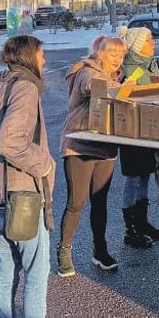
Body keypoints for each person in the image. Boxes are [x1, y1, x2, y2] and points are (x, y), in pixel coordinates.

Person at [0, 35, 76, 318]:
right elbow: (11, 141)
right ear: (29, 56)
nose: (45, 60)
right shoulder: (24, 88)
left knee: (6, 273)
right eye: (41, 54)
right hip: (22, 194)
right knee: (36, 274)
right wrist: (45, 163)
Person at [56, 35, 127, 276]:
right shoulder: (86, 71)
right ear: (99, 53)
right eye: (112, 54)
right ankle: (64, 251)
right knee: (76, 202)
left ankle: (100, 251)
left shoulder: (118, 77)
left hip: (106, 145)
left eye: (121, 55)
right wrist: (125, 90)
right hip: (80, 143)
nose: (117, 59)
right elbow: (93, 86)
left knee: (100, 202)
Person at [116, 26, 159, 249]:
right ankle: (131, 229)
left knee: (145, 174)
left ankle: (143, 222)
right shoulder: (129, 69)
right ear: (138, 46)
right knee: (132, 178)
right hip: (131, 130)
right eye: (149, 41)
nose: (153, 43)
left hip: (148, 127)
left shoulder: (150, 65)